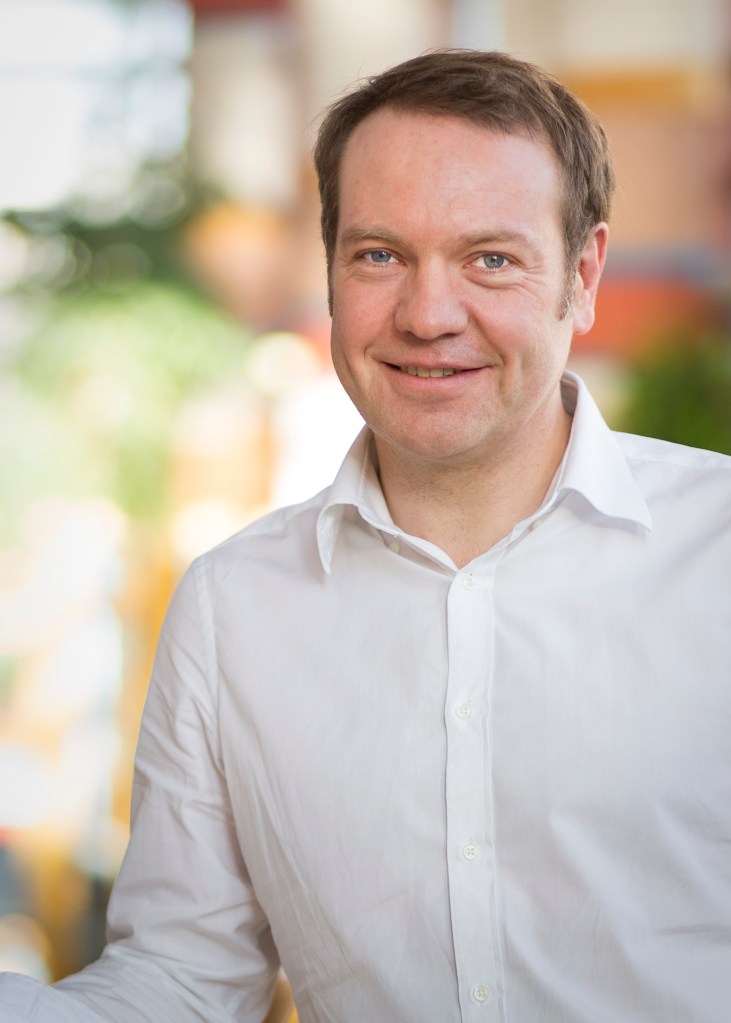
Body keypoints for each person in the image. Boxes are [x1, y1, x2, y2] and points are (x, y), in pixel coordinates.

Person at [2, 48, 730, 1023]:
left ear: (583, 273)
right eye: (380, 255)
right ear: (333, 271)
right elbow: (180, 983)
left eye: (490, 259)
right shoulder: (231, 609)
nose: (428, 315)